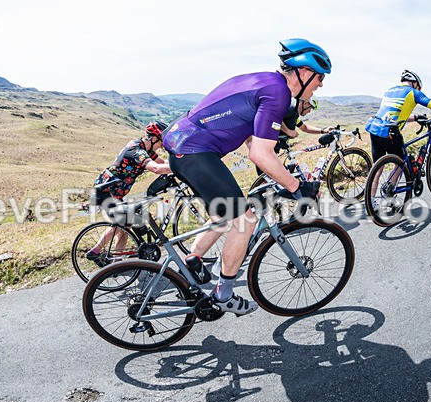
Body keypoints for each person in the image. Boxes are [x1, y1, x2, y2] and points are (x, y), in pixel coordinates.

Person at [162, 38, 327, 315]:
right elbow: (260, 155)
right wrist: (297, 187)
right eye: (320, 78)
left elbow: (253, 139)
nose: (321, 84)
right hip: (194, 151)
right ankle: (224, 295)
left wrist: (278, 177)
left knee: (226, 213)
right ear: (305, 72)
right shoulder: (279, 94)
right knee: (245, 218)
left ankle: (194, 257)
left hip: (182, 145)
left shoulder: (263, 81)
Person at [85, 122, 173, 265]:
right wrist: (179, 169)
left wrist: (180, 163)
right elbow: (156, 168)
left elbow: (163, 162)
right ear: (154, 139)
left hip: (113, 193)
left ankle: (117, 262)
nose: (161, 147)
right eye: (161, 143)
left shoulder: (145, 149)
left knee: (124, 226)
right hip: (105, 193)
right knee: (120, 225)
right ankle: (98, 253)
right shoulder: (137, 151)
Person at [365, 70, 431, 162]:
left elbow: (397, 116)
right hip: (390, 132)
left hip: (375, 128)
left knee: (378, 166)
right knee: (401, 163)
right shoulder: (413, 92)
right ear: (415, 83)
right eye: (418, 88)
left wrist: (416, 117)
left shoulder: (390, 90)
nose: (418, 90)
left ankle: (372, 177)